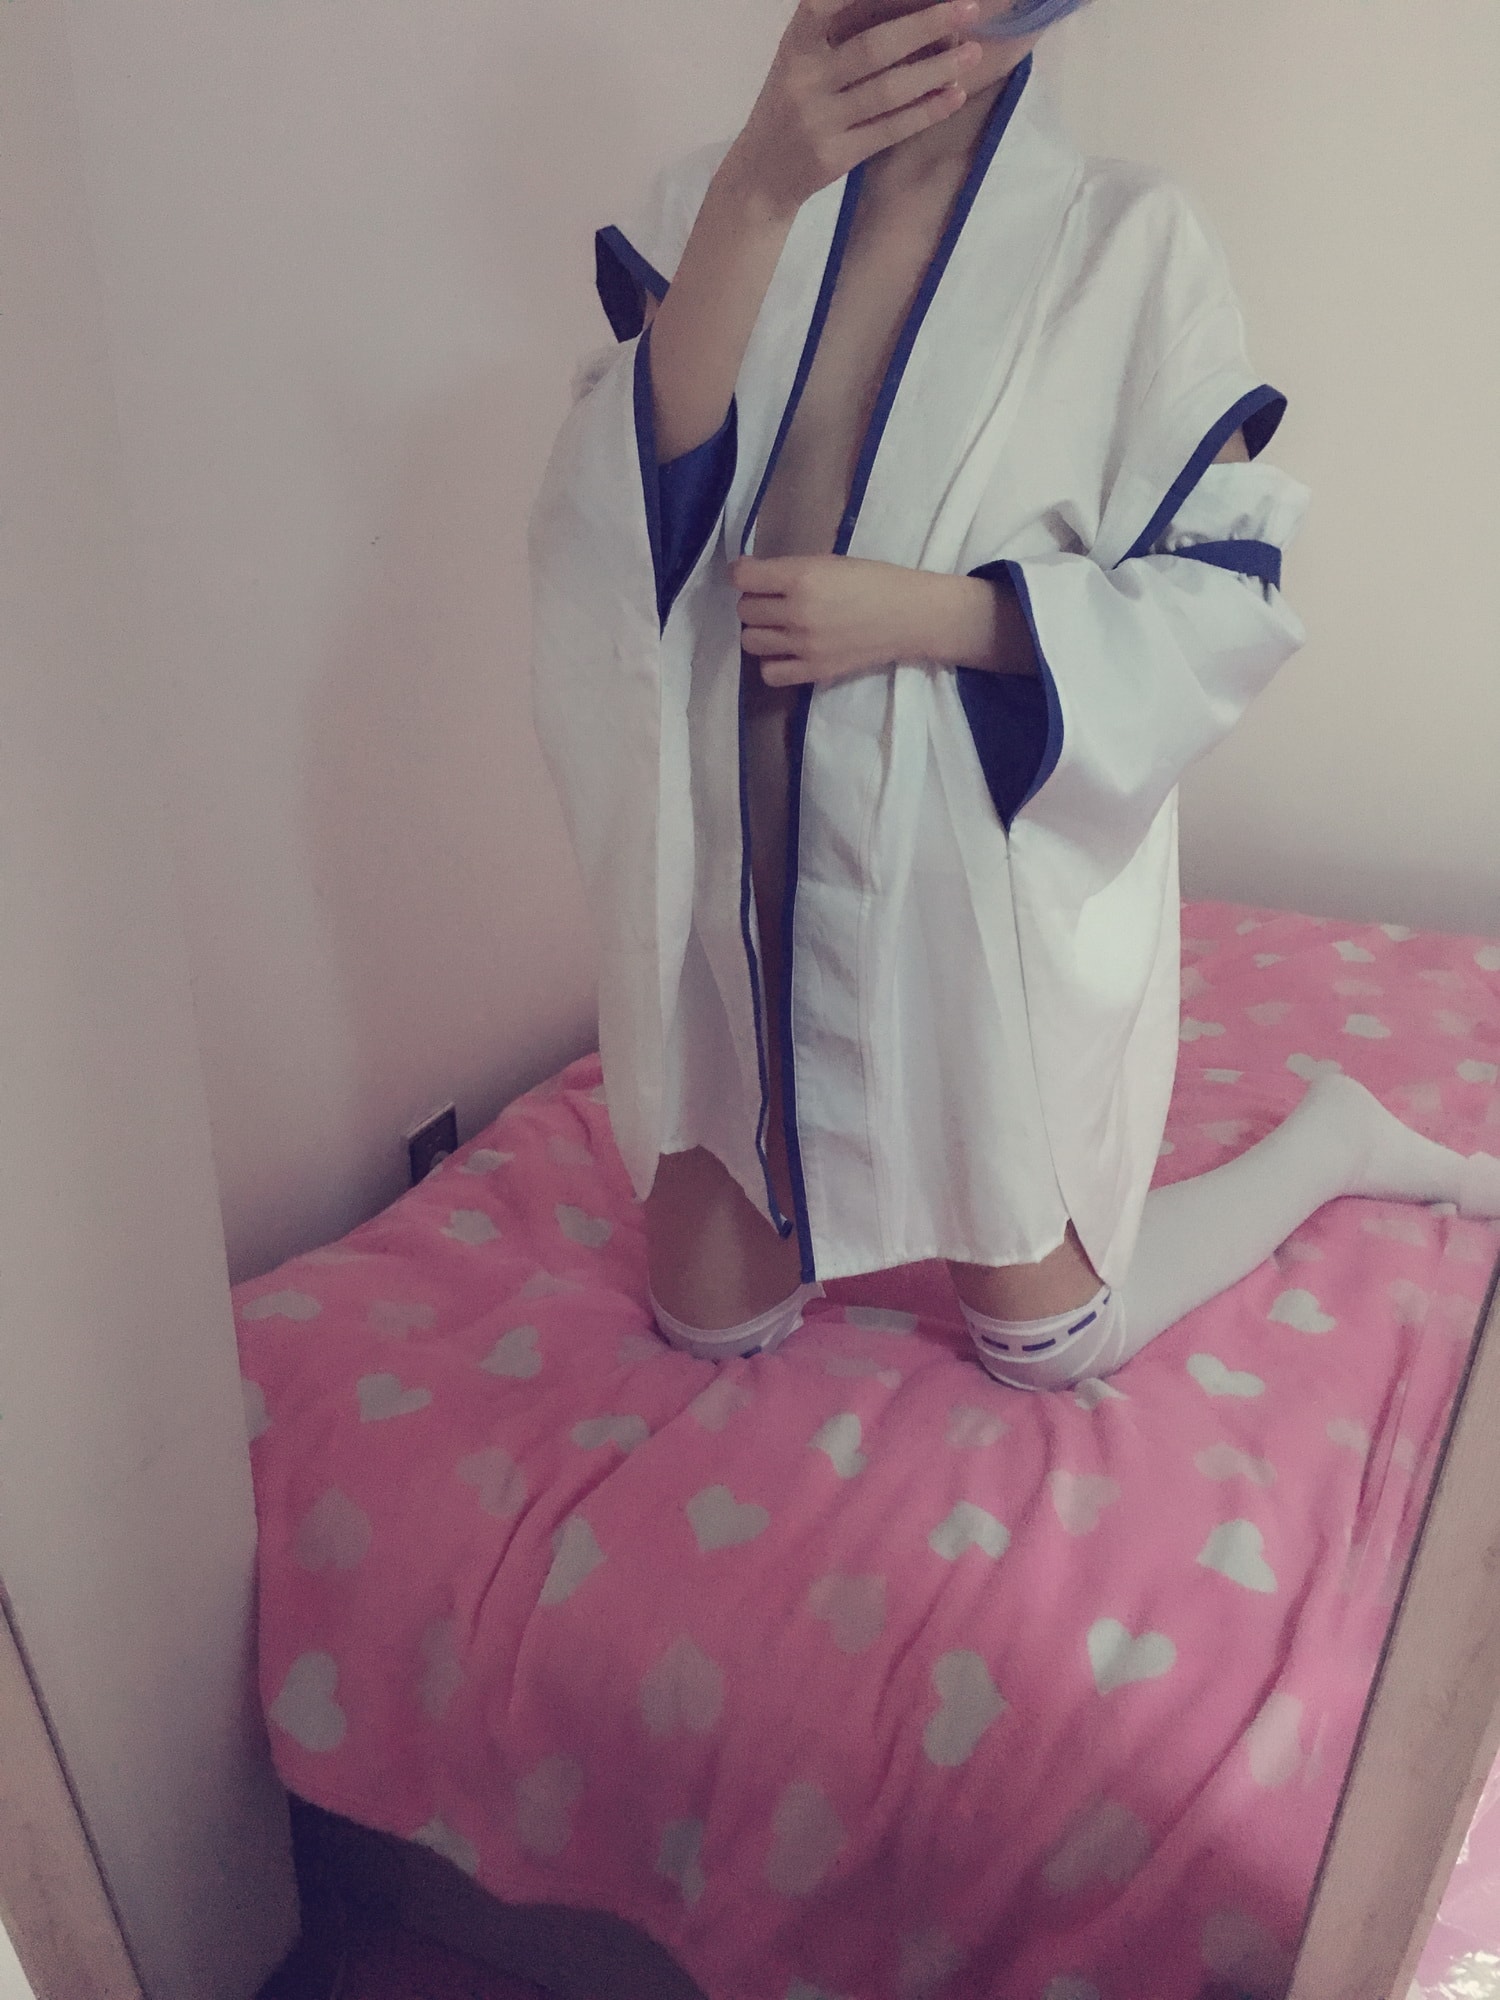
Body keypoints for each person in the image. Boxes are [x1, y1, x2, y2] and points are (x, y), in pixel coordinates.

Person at [529, 0, 1500, 1390]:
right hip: (731, 890)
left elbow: (1225, 598)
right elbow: (615, 542)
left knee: (1052, 1346)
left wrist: (936, 613)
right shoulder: (708, 205)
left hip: (953, 909)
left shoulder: (1129, 241)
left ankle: (1331, 1139)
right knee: (710, 1324)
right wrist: (757, 191)